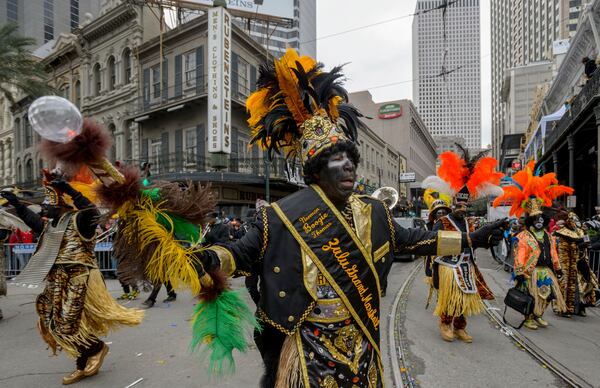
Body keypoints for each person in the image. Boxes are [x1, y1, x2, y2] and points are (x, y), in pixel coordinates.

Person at [186, 49, 505, 387]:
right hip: (307, 351)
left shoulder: (374, 212)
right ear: (316, 170)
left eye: (350, 157)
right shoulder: (282, 218)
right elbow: (240, 255)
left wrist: (472, 238)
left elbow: (415, 240)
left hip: (361, 340)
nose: (349, 165)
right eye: (337, 159)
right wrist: (207, 258)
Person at [0, 170, 144, 385]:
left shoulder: (79, 220)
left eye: (46, 206)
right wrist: (17, 204)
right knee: (51, 322)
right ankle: (84, 360)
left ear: (59, 204)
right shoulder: (51, 226)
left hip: (79, 278)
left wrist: (70, 190)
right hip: (57, 279)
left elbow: (92, 211)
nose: (42, 209)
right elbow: (32, 221)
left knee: (67, 325)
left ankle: (94, 350)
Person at [422, 146, 503, 343]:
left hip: (467, 266)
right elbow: (433, 243)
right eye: (459, 204)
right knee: (450, 299)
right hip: (448, 266)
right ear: (453, 203)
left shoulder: (471, 223)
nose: (462, 207)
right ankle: (445, 323)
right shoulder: (442, 222)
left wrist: (493, 237)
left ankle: (460, 327)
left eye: (465, 205)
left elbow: (479, 242)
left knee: (465, 300)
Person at [493, 161, 571, 330]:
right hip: (531, 272)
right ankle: (528, 317)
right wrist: (519, 272)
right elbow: (520, 254)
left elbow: (553, 253)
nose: (539, 222)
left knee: (546, 295)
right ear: (530, 221)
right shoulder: (523, 236)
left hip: (546, 270)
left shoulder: (549, 237)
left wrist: (557, 268)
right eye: (536, 220)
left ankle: (539, 315)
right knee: (530, 295)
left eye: (541, 220)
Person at [553, 211, 599, 317]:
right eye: (574, 220)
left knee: (586, 285)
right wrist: (579, 246)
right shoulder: (562, 233)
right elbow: (563, 251)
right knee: (567, 286)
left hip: (580, 263)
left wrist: (585, 245)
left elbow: (585, 245)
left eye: (577, 220)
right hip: (568, 265)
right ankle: (564, 309)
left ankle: (581, 308)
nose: (576, 222)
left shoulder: (581, 232)